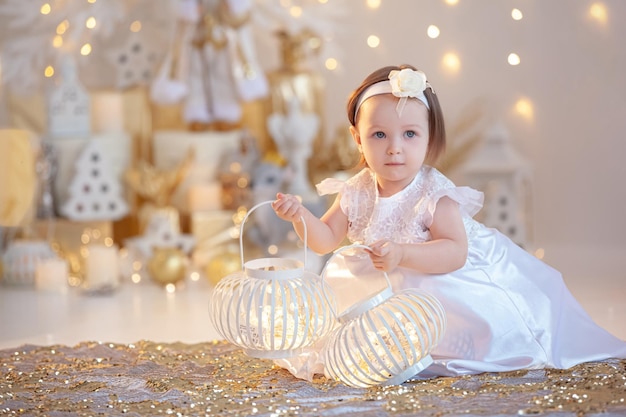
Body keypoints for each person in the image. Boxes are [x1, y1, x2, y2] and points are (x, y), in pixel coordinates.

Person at [270, 64, 626, 381]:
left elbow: (454, 253)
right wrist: (300, 216)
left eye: (410, 134)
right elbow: (325, 240)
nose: (395, 148)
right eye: (379, 135)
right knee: (346, 311)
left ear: (429, 137)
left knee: (482, 326)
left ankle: (449, 344)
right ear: (357, 138)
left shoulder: (433, 193)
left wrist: (402, 253)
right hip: (384, 281)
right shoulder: (356, 190)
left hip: (441, 274)